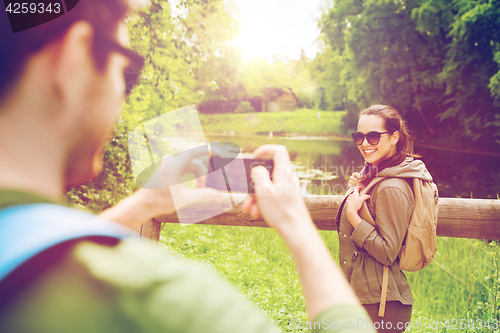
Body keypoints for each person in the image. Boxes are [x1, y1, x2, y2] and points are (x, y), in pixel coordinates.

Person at [0, 0, 376, 332]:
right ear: (74, 60)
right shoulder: (160, 303)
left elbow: (29, 251)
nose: (121, 88)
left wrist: (144, 203)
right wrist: (298, 227)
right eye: (125, 69)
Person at [338, 105, 434, 333]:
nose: (364, 143)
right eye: (359, 137)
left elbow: (388, 251)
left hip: (381, 309)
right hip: (363, 299)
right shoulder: (376, 175)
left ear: (394, 137)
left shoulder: (392, 187)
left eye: (373, 136)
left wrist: (354, 218)